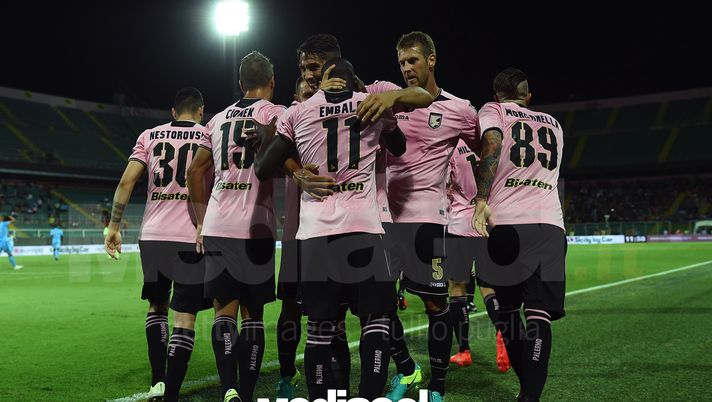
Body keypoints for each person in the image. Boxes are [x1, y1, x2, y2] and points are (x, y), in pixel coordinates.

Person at [254, 58, 407, 400]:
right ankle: (369, 396)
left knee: (320, 330)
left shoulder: (298, 113)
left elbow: (263, 167)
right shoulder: (370, 105)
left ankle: (320, 396)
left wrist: (296, 172)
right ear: (353, 82)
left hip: (316, 234)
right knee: (376, 323)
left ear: (322, 81)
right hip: (364, 228)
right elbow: (399, 148)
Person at [187, 51, 285, 402]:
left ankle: (227, 387)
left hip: (217, 224)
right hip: (256, 227)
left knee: (222, 311)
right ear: (272, 83)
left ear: (240, 84)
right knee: (253, 314)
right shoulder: (276, 114)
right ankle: (245, 392)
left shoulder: (216, 120)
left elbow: (195, 172)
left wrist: (200, 222)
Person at [104, 87, 212, 402]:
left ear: (173, 112)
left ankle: (158, 381)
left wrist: (113, 226)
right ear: (201, 111)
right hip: (190, 234)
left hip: (152, 236)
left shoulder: (149, 136)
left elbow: (127, 181)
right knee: (185, 317)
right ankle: (172, 394)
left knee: (156, 307)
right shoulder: (209, 136)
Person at [472, 68, 566, 402]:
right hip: (550, 226)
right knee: (539, 315)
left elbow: (493, 142)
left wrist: (481, 199)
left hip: (506, 224)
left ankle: (527, 394)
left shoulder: (493, 110)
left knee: (509, 314)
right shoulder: (554, 124)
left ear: (497, 94)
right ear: (529, 96)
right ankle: (529, 396)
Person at [445, 140, 510, 372]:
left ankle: (464, 351)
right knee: (488, 288)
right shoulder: (490, 145)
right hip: (487, 223)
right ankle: (503, 336)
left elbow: (444, 186)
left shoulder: (452, 146)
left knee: (457, 288)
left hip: (460, 226)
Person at [273, 76, 317, 399]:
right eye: (304, 94)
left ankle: (326, 375)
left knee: (327, 312)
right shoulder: (288, 127)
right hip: (294, 236)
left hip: (327, 233)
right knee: (289, 309)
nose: (310, 98)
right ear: (294, 97)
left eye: (315, 93)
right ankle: (288, 375)